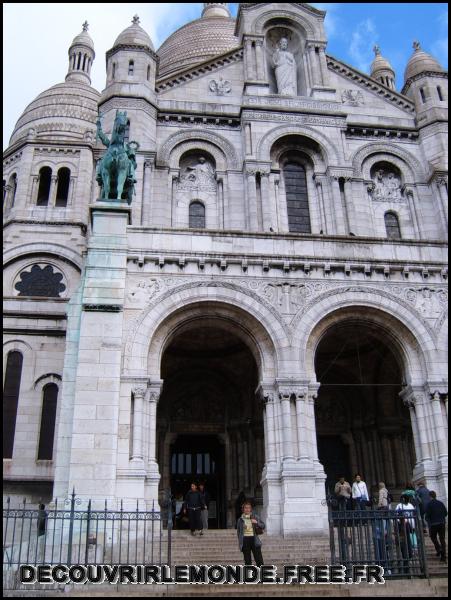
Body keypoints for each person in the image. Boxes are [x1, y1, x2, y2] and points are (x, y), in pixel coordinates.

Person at [236, 501, 265, 567]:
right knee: (247, 560)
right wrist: (241, 541)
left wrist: (256, 522)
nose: (247, 509)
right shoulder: (240, 520)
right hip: (245, 540)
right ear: (243, 509)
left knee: (259, 559)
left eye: (249, 508)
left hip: (254, 539)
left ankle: (261, 574)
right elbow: (238, 532)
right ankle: (249, 575)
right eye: (245, 508)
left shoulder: (255, 517)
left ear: (251, 509)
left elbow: (263, 526)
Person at [395, 494, 416, 574]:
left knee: (407, 546)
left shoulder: (404, 506)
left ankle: (406, 564)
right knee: (404, 547)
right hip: (403, 528)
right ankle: (405, 564)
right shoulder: (402, 506)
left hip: (407, 528)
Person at [425, 491, 447, 562]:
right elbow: (445, 513)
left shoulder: (429, 504)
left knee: (433, 537)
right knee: (442, 539)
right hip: (442, 523)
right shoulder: (440, 503)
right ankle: (443, 556)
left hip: (433, 524)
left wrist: (429, 522)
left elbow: (427, 516)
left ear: (430, 496)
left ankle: (439, 548)